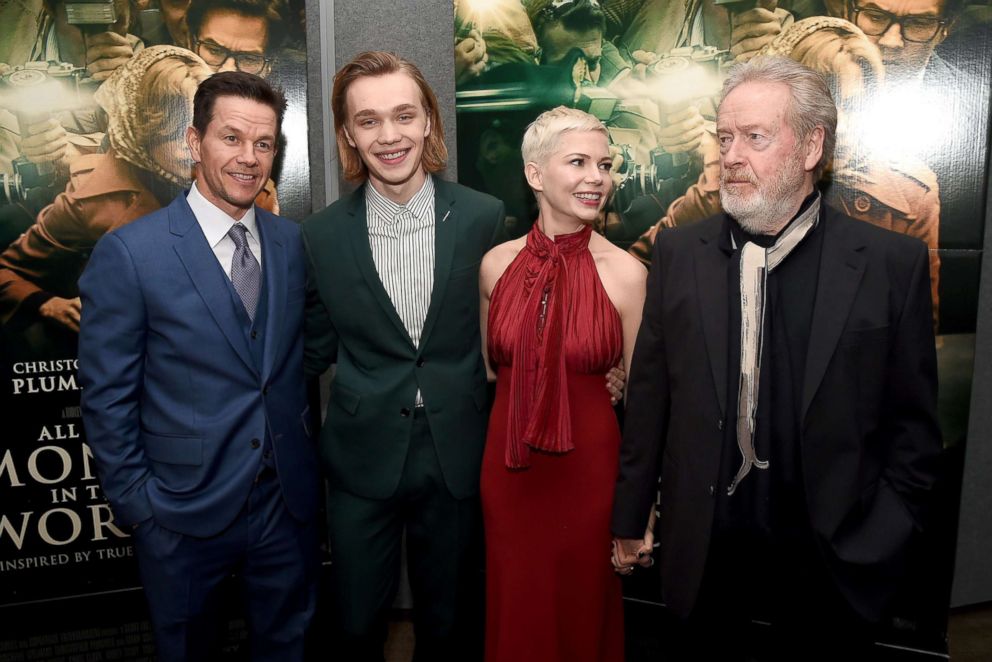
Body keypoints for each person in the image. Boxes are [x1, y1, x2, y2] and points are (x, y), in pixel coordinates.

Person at [612, 56, 940, 659]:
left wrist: (886, 535)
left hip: (832, 565)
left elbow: (913, 430)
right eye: (725, 137)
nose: (731, 155)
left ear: (812, 145)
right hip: (705, 559)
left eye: (754, 138)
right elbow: (650, 400)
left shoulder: (891, 265)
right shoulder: (680, 253)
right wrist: (630, 517)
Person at [78, 70, 320, 661]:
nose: (249, 158)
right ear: (194, 141)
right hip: (180, 512)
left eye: (264, 144)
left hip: (284, 506)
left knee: (289, 648)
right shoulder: (131, 253)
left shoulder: (290, 244)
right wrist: (140, 506)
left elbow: (302, 353)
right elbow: (106, 396)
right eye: (231, 138)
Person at [479, 106, 647, 662]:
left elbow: (645, 404)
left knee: (582, 617)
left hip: (590, 476)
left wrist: (639, 511)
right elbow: (491, 368)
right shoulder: (494, 266)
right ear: (535, 174)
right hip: (509, 476)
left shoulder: (626, 273)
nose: (596, 177)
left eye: (605, 164)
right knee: (518, 616)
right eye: (578, 162)